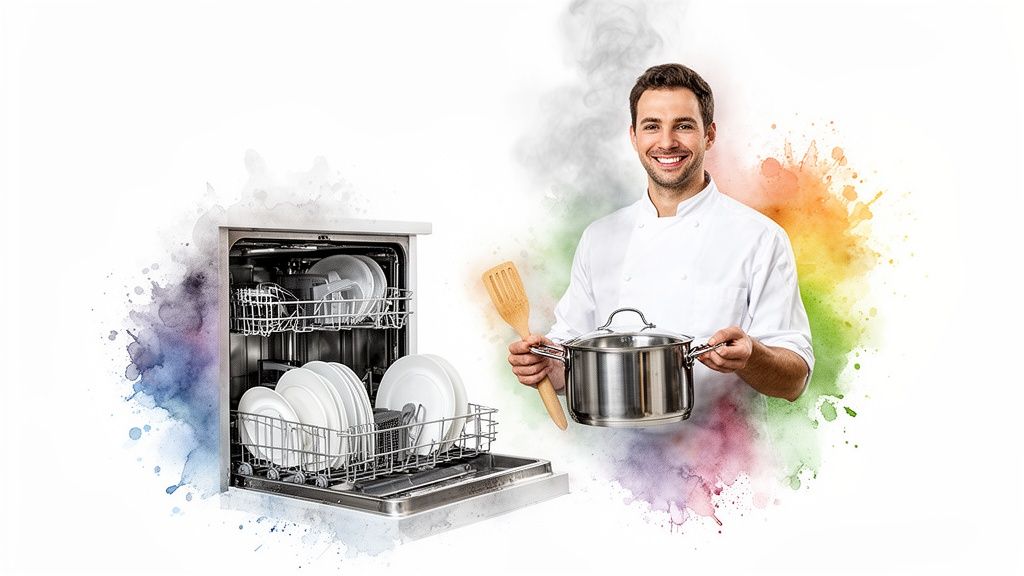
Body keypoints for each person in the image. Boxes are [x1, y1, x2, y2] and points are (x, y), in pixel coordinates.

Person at [508, 64, 814, 417]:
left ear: (709, 135)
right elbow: (570, 357)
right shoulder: (599, 238)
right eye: (652, 126)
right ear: (634, 136)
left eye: (683, 126)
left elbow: (794, 380)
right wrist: (547, 368)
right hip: (615, 452)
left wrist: (751, 357)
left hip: (721, 459)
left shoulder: (759, 238)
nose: (666, 142)